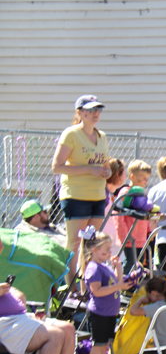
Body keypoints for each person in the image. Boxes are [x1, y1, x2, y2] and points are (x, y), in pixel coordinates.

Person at [0, 238, 91, 354]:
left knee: (67, 328)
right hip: (5, 322)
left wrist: (13, 292)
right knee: (54, 334)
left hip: (21, 316)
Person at [51, 95, 111, 283]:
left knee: (91, 241)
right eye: (91, 110)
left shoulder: (102, 136)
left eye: (98, 110)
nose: (95, 114)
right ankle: (70, 286)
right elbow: (57, 166)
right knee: (76, 241)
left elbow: (105, 164)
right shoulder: (71, 134)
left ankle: (88, 283)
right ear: (80, 113)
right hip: (76, 197)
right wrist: (89, 170)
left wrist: (107, 171)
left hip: (97, 196)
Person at [80, 228, 134, 354]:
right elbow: (96, 291)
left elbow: (116, 284)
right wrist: (119, 285)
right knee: (99, 345)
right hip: (99, 313)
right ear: (94, 250)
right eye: (106, 250)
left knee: (103, 345)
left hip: (109, 313)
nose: (109, 252)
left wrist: (117, 267)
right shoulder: (93, 268)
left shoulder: (103, 266)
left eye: (110, 249)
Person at [116, 159, 153, 273]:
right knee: (130, 264)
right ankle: (124, 288)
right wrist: (123, 234)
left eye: (147, 179)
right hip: (129, 237)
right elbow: (119, 215)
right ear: (132, 177)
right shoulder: (126, 192)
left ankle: (135, 288)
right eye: (143, 178)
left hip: (141, 237)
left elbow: (143, 213)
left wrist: (148, 231)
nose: (145, 181)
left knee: (140, 264)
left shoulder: (142, 194)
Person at [128, 277, 166, 348]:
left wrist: (140, 300)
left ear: (153, 294)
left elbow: (133, 311)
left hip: (163, 347)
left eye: (148, 295)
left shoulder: (157, 307)